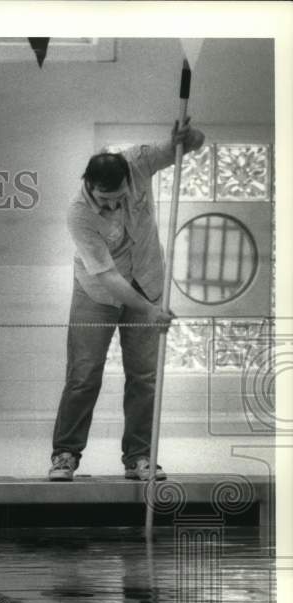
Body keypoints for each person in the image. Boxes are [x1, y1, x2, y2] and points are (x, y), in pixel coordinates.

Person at [49, 118, 205, 482]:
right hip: (98, 292)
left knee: (145, 377)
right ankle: (65, 454)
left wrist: (186, 137)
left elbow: (193, 143)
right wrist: (150, 311)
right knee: (84, 375)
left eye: (120, 197)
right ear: (90, 186)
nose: (115, 205)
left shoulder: (138, 161)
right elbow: (107, 276)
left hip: (148, 280)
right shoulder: (79, 214)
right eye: (107, 199)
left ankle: (139, 458)